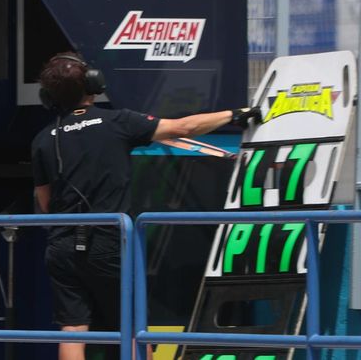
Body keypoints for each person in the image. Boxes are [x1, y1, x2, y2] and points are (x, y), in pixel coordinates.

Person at [32, 53, 259, 360]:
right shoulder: (117, 121)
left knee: (72, 329)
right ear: (93, 85)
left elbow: (45, 202)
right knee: (133, 328)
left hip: (62, 245)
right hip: (107, 240)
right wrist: (235, 114)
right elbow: (184, 127)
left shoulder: (43, 139)